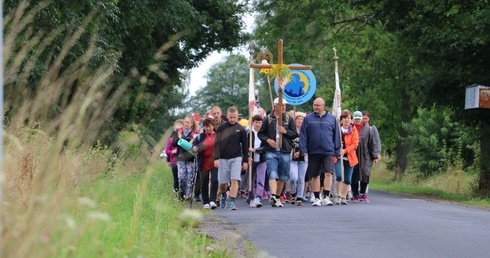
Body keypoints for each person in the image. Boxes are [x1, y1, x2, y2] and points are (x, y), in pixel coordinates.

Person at [299, 98, 341, 207]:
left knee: (328, 173)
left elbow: (336, 135)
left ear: (323, 106)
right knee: (315, 174)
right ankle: (317, 197)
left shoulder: (332, 119)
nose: (316, 107)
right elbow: (303, 135)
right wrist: (303, 149)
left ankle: (326, 196)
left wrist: (336, 150)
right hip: (313, 151)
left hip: (328, 150)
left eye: (318, 105)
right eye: (314, 105)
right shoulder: (308, 119)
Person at [258, 98, 298, 207]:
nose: (284, 107)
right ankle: (273, 196)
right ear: (275, 106)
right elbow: (260, 134)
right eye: (281, 105)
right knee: (272, 173)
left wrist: (285, 131)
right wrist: (268, 140)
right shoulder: (268, 119)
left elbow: (294, 134)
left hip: (285, 150)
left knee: (283, 176)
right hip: (272, 151)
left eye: (285, 105)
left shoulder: (289, 119)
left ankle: (277, 196)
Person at [214, 106, 249, 210]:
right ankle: (224, 195)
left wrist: (245, 160)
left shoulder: (241, 129)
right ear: (227, 116)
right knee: (223, 183)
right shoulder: (221, 128)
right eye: (231, 117)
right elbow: (217, 144)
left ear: (237, 116)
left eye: (234, 117)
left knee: (235, 179)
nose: (232, 119)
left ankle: (233, 202)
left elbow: (245, 145)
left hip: (236, 157)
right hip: (223, 158)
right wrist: (216, 158)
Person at [351, 110, 379, 203]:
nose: (357, 121)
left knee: (365, 174)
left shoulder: (368, 130)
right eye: (356, 119)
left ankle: (363, 193)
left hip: (365, 155)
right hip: (354, 155)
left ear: (362, 119)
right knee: (354, 175)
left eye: (359, 119)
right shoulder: (351, 128)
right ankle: (355, 194)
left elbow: (373, 143)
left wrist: (375, 156)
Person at [334, 110, 359, 205]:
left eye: (348, 118)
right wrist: (337, 147)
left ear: (351, 120)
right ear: (341, 120)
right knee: (339, 175)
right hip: (337, 157)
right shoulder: (337, 130)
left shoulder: (353, 130)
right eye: (344, 118)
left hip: (349, 157)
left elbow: (355, 144)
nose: (346, 120)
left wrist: (345, 150)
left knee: (348, 179)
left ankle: (344, 196)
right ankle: (338, 194)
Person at [192, 117, 218, 209]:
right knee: (204, 182)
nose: (208, 128)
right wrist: (195, 148)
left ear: (213, 126)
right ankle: (205, 201)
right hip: (203, 162)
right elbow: (194, 146)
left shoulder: (218, 135)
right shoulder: (200, 137)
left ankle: (213, 200)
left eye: (210, 126)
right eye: (206, 127)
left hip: (215, 162)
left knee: (215, 181)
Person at [172, 115, 198, 201]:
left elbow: (195, 144)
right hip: (181, 157)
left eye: (188, 122)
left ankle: (188, 195)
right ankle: (181, 192)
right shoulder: (179, 132)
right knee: (181, 177)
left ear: (191, 124)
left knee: (189, 178)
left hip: (190, 158)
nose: (186, 124)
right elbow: (174, 143)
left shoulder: (194, 133)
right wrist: (182, 139)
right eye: (185, 122)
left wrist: (184, 139)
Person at [248, 114, 267, 208]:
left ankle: (258, 197)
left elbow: (266, 147)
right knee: (251, 179)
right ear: (253, 122)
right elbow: (245, 146)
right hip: (251, 159)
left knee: (260, 178)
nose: (258, 124)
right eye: (256, 122)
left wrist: (256, 150)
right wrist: (248, 155)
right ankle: (251, 196)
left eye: (260, 122)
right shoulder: (249, 133)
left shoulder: (264, 133)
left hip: (261, 158)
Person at [289, 112, 307, 206]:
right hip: (293, 158)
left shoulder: (306, 131)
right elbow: (288, 143)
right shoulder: (292, 131)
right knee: (293, 177)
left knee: (301, 178)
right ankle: (292, 193)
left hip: (303, 158)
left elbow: (308, 143)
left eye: (302, 119)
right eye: (298, 118)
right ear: (295, 120)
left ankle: (299, 197)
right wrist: (293, 152)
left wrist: (300, 152)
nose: (300, 120)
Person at [165, 119, 184, 193]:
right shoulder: (171, 139)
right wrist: (173, 151)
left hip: (183, 160)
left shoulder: (185, 138)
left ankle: (183, 193)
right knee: (176, 178)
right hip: (174, 161)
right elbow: (167, 151)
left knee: (183, 178)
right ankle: (176, 193)